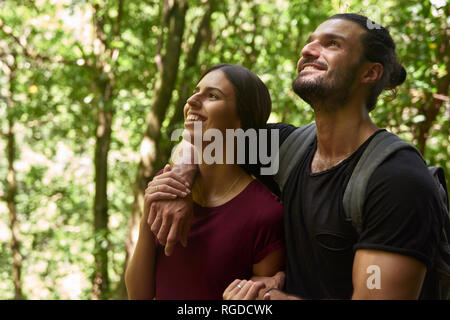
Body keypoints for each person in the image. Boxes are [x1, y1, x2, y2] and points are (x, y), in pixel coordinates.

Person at [144, 13, 444, 299]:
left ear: (370, 72)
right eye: (311, 41)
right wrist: (181, 177)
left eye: (332, 44)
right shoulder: (285, 147)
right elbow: (203, 135)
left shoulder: (397, 180)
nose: (308, 50)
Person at [125, 64, 285, 300]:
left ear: (241, 121)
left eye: (212, 96)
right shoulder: (168, 183)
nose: (192, 100)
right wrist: (148, 216)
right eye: (195, 91)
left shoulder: (266, 214)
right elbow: (139, 295)